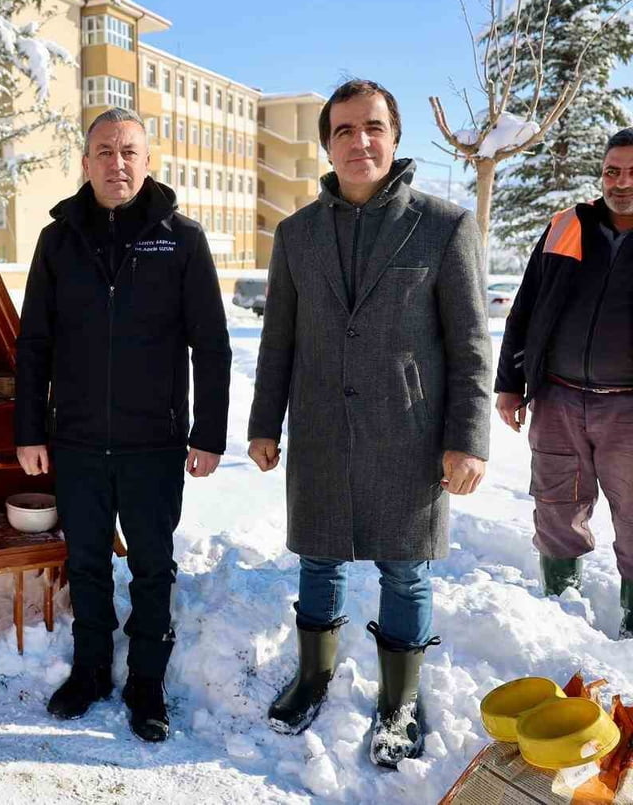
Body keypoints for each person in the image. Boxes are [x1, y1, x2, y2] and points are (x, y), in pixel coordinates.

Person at [247, 79, 492, 768]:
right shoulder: (296, 235)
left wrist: (467, 438)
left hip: (409, 436)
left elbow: (473, 345)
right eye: (345, 130)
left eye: (373, 127)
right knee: (318, 560)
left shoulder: (445, 226)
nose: (361, 141)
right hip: (321, 429)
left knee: (405, 571)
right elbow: (278, 343)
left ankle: (400, 701)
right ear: (327, 143)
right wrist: (265, 422)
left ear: (395, 135)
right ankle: (312, 675)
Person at [15, 106, 232, 742]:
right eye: (104, 152)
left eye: (129, 151)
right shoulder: (58, 241)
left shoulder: (181, 238)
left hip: (154, 442)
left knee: (152, 567)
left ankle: (146, 684)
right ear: (85, 164)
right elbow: (35, 343)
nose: (117, 163)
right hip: (76, 438)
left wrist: (208, 434)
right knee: (84, 562)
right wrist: (31, 429)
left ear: (147, 160)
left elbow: (211, 344)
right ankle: (90, 672)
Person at [495, 128, 633, 638]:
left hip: (628, 410)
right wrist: (509, 383)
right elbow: (526, 308)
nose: (621, 183)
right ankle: (560, 611)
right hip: (557, 397)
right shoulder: (567, 225)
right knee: (556, 508)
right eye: (612, 171)